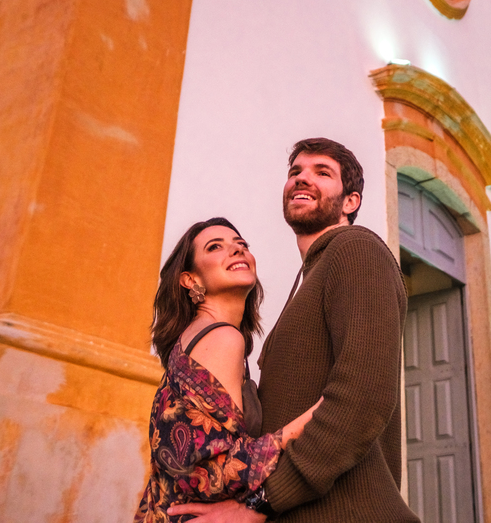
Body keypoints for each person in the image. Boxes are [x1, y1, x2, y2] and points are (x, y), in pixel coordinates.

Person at [170, 138, 418, 523]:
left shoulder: (356, 249)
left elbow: (363, 397)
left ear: (350, 201)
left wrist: (260, 503)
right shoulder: (309, 279)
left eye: (322, 173)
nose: (303, 179)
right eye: (295, 172)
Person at [136, 217, 321, 523]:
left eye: (242, 245)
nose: (237, 251)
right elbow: (215, 474)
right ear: (190, 280)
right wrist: (325, 410)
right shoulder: (222, 338)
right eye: (215, 247)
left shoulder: (195, 338)